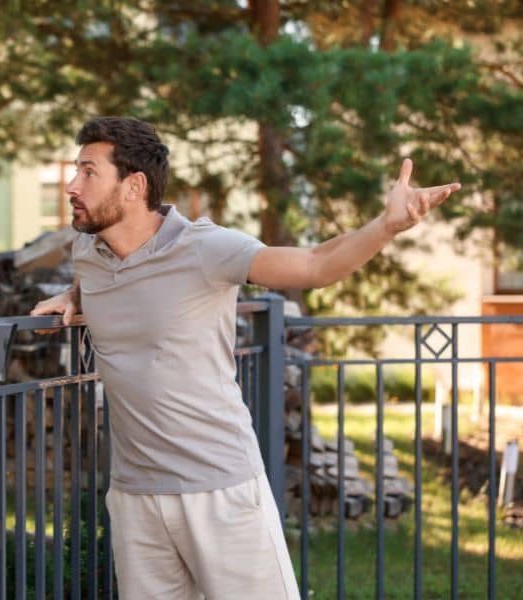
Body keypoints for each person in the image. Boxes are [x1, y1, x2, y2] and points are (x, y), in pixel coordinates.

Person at [31, 116, 459, 599]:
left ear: (134, 186)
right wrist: (74, 297)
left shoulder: (205, 248)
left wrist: (387, 226)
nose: (71, 185)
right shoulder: (88, 250)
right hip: (135, 495)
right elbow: (104, 278)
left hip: (219, 487)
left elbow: (315, 263)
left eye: (88, 172)